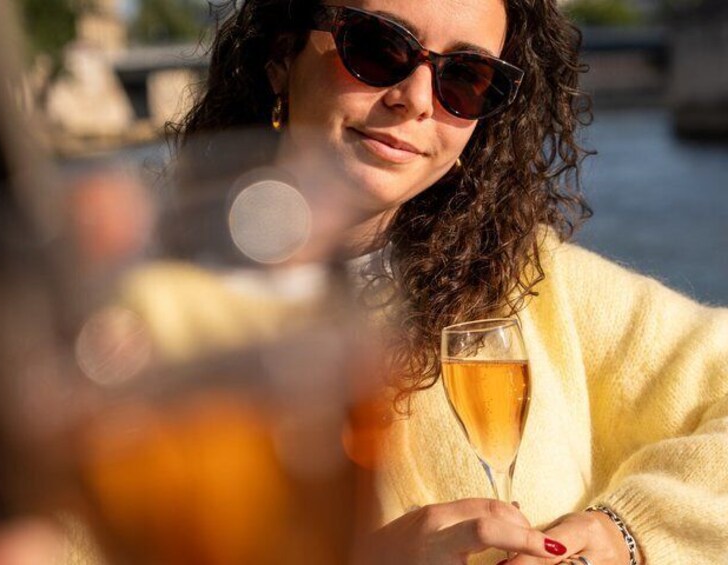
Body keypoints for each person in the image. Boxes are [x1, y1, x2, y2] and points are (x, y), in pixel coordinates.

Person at [161, 1, 728, 564]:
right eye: (377, 48)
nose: (416, 99)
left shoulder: (534, 282)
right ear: (282, 56)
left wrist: (627, 533)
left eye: (466, 78)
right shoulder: (144, 323)